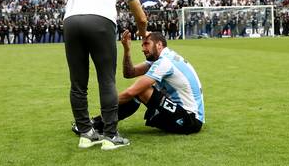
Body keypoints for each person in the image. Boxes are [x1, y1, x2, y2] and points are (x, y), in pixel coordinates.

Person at [64, 0, 148, 150]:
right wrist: (144, 36)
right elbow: (141, 18)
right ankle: (110, 136)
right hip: (101, 22)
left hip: (70, 21)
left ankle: (86, 134)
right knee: (107, 80)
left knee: (78, 83)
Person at [75, 30, 204, 136]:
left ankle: (95, 124)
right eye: (142, 45)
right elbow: (129, 73)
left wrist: (108, 104)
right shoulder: (163, 59)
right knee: (140, 91)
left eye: (147, 44)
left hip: (190, 120)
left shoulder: (165, 62)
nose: (143, 48)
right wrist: (127, 49)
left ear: (159, 45)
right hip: (185, 115)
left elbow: (132, 91)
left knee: (140, 90)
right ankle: (98, 123)